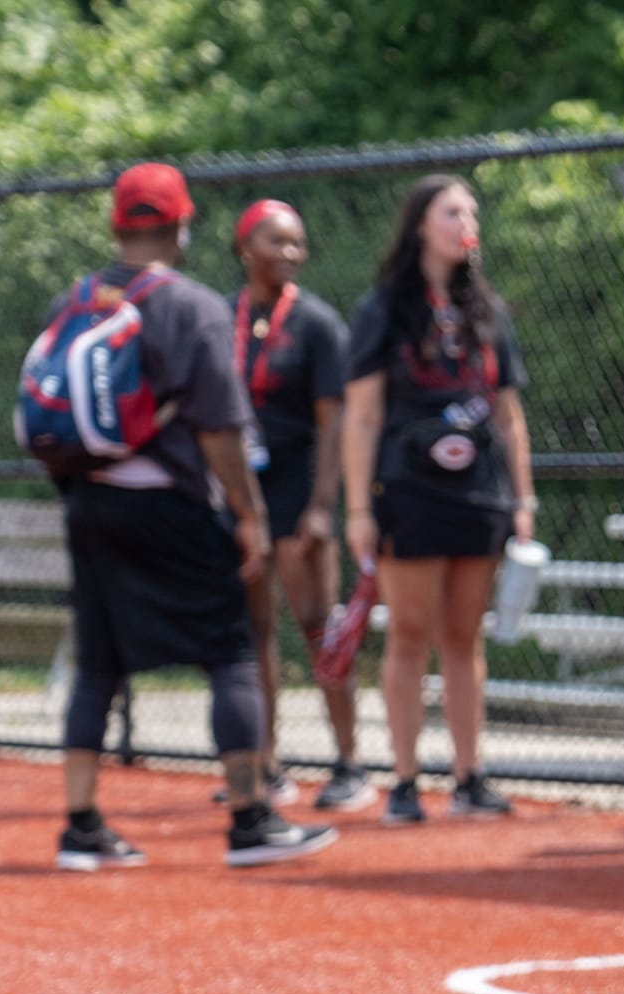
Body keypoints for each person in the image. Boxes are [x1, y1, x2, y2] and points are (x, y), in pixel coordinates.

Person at [49, 162, 339, 872]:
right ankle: (250, 818)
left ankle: (81, 824)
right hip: (172, 503)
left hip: (90, 503)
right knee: (232, 652)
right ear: (181, 227)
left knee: (97, 663)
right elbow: (218, 428)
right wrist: (246, 512)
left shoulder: (75, 299)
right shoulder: (192, 306)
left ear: (118, 225)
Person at [341, 174, 537, 825]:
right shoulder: (384, 309)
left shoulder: (488, 311)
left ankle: (469, 775)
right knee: (409, 634)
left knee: (463, 637)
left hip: (477, 492)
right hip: (409, 490)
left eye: (471, 211)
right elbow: (363, 416)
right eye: (453, 210)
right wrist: (360, 510)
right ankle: (402, 779)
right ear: (422, 223)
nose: (466, 221)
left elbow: (508, 416)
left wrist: (523, 498)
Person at [229, 198, 374, 813]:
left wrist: (322, 506)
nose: (289, 253)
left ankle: (349, 763)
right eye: (275, 241)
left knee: (322, 627)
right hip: (244, 492)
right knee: (252, 631)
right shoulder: (223, 316)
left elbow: (334, 422)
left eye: (297, 242)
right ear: (245, 249)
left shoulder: (315, 324)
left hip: (299, 488)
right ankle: (265, 764)